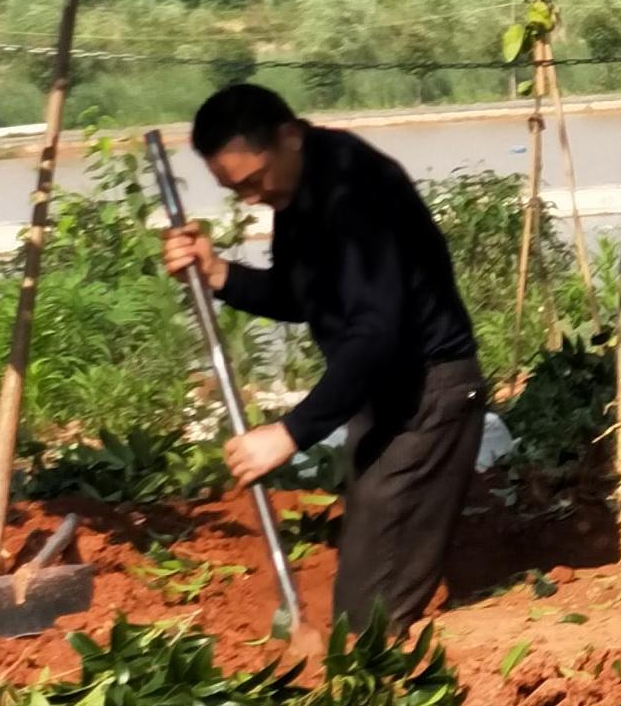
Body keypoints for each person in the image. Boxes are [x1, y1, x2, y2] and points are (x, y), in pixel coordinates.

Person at [161, 81, 485, 631]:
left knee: (368, 615)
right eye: (236, 190)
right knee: (366, 590)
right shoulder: (299, 192)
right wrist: (218, 273)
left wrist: (288, 433)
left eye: (253, 181)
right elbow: (301, 296)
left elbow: (375, 334)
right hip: (383, 398)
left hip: (428, 397)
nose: (251, 198)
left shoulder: (354, 192)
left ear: (288, 137)